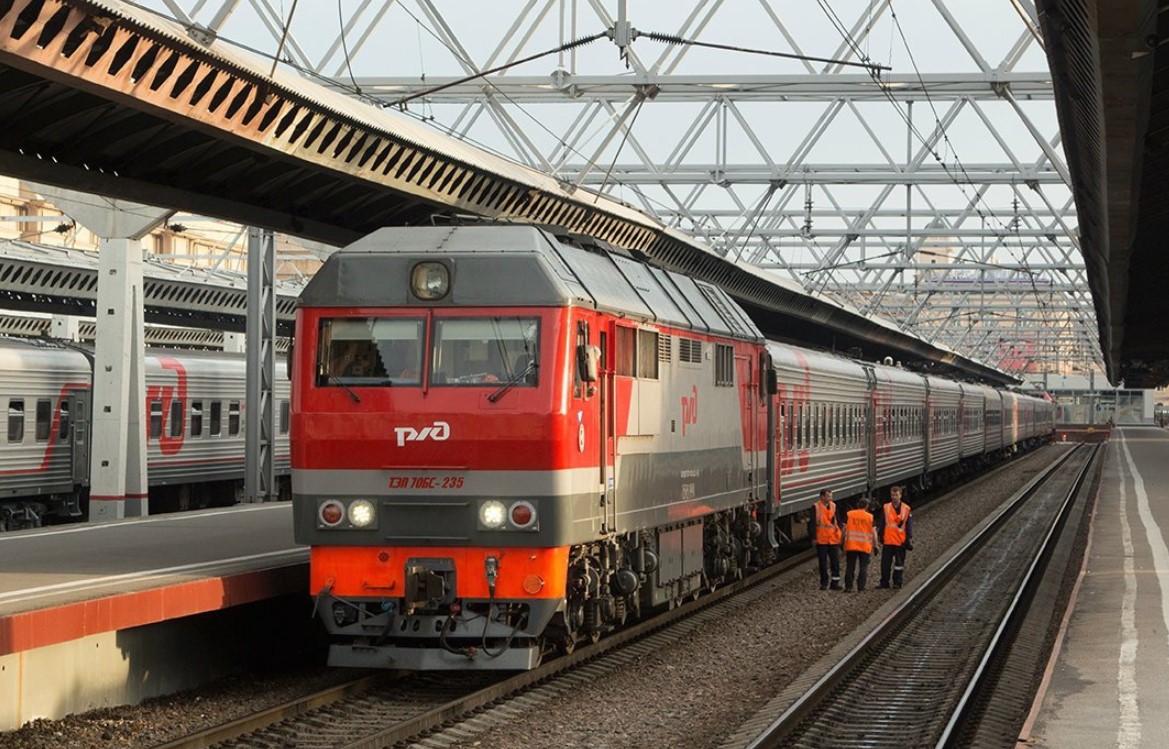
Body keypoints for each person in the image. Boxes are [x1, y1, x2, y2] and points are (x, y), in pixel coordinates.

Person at [876, 485, 913, 589]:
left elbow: (909, 525)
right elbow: (883, 522)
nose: (894, 497)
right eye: (892, 495)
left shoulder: (906, 509)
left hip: (900, 541)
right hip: (888, 540)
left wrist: (909, 538)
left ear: (900, 495)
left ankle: (897, 582)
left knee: (899, 564)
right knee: (885, 564)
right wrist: (880, 535)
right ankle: (884, 582)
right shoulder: (886, 507)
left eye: (896, 495)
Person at [842, 496, 880, 592]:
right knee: (863, 567)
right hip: (864, 546)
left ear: (857, 505)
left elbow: (844, 530)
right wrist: (876, 546)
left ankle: (848, 587)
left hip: (851, 545)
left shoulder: (850, 515)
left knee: (850, 566)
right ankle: (861, 587)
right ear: (867, 506)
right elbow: (874, 532)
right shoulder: (869, 517)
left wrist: (841, 542)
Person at [810, 488, 842, 590]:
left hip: (833, 539)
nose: (830, 498)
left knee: (835, 562)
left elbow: (838, 520)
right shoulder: (815, 507)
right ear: (822, 497)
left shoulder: (833, 506)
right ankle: (824, 583)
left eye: (831, 496)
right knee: (822, 563)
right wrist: (814, 537)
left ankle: (835, 582)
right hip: (822, 539)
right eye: (828, 496)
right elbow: (812, 524)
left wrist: (841, 535)